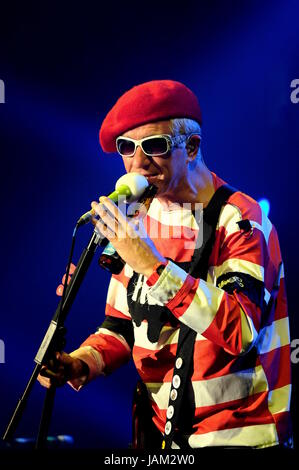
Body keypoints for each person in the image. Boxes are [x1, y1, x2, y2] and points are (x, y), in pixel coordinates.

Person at [38, 80, 293, 449]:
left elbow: (242, 329)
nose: (138, 164)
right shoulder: (139, 220)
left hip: (238, 436)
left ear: (191, 147)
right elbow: (124, 327)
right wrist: (80, 363)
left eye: (154, 146)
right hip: (162, 438)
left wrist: (151, 266)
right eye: (127, 148)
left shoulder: (240, 219)